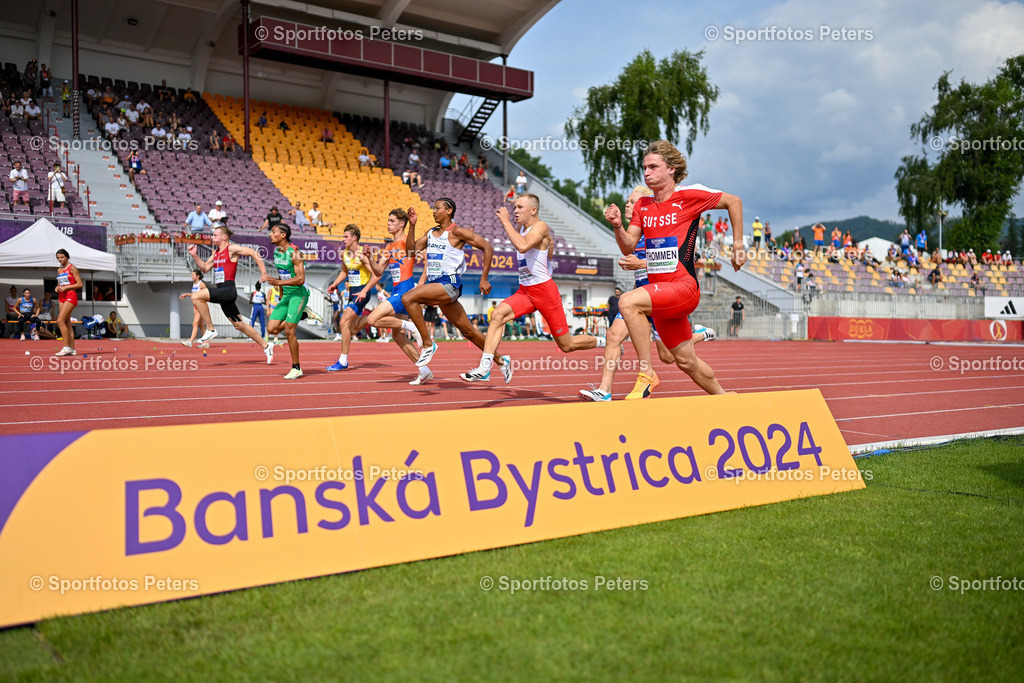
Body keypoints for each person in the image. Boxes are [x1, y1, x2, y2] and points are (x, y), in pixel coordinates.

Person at [605, 140, 744, 399]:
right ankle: (724, 398)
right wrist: (617, 226)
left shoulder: (688, 197)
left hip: (683, 287)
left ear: (671, 169)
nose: (646, 173)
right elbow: (628, 247)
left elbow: (733, 202)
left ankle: (646, 373)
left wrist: (737, 245)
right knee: (683, 361)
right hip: (661, 296)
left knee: (627, 302)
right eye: (644, 167)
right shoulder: (643, 206)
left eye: (653, 167)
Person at [580, 187, 715, 402]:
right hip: (639, 297)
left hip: (663, 296)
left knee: (669, 357)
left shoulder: (659, 228)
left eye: (633, 201)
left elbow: (676, 261)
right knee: (613, 335)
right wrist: (617, 226)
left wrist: (642, 263)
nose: (627, 204)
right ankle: (604, 390)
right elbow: (626, 247)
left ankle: (699, 335)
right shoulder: (632, 233)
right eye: (627, 200)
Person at [463, 195, 598, 383]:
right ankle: (486, 366)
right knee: (497, 316)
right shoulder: (522, 228)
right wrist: (548, 247)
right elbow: (542, 253)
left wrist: (505, 221)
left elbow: (523, 246)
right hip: (525, 291)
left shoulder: (541, 226)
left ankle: (605, 342)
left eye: (520, 207)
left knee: (567, 345)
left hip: (544, 292)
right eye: (514, 207)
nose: (515, 211)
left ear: (533, 210)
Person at [399, 198, 512, 380]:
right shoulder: (430, 233)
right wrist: (412, 225)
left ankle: (428, 343)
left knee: (407, 298)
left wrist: (484, 278)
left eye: (437, 208)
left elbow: (487, 247)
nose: (433, 211)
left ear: (449, 210)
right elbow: (410, 252)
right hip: (438, 286)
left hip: (449, 284)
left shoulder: (457, 232)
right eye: (433, 208)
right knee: (468, 332)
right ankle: (501, 361)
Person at [362, 208, 435, 384]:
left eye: (392, 221)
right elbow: (378, 271)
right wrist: (370, 258)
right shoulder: (388, 247)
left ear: (402, 224)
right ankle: (424, 370)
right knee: (397, 336)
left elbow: (428, 260)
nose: (388, 224)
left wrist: (421, 283)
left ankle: (412, 327)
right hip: (396, 291)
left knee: (372, 319)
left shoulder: (406, 243)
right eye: (388, 221)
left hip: (406, 291)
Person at [188, 225, 275, 365]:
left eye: (215, 235)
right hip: (222, 291)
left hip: (228, 290)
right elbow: (204, 268)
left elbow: (254, 252)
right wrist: (195, 256)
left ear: (224, 237)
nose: (212, 237)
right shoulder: (216, 253)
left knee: (196, 296)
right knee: (240, 325)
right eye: (212, 235)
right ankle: (266, 346)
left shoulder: (231, 249)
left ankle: (210, 329)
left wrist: (263, 272)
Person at [325, 225, 378, 371]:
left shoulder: (362, 255)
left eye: (346, 237)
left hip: (362, 291)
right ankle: (378, 315)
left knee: (343, 322)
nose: (343, 240)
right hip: (353, 292)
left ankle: (343, 360)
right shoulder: (345, 254)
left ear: (354, 238)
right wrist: (335, 284)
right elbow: (344, 271)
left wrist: (365, 291)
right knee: (352, 328)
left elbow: (376, 274)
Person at [265, 224, 309, 379]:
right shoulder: (277, 252)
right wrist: (280, 294)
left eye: (273, 232)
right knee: (271, 328)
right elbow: (282, 275)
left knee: (289, 331)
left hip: (298, 294)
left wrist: (277, 283)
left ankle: (296, 368)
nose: (270, 234)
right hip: (286, 296)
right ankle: (303, 315)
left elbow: (300, 279)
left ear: (283, 235)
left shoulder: (295, 253)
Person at [54, 249, 83, 356]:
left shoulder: (73, 268)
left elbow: (80, 284)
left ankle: (66, 347)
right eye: (58, 258)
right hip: (61, 296)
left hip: (71, 295)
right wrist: (57, 287)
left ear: (67, 257)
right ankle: (72, 349)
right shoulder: (59, 270)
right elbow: (60, 283)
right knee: (66, 323)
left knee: (59, 321)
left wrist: (66, 288)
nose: (60, 259)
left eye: (62, 257)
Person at [179, 269, 209, 348]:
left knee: (194, 323)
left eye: (193, 275)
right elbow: (194, 294)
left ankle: (190, 341)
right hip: (195, 306)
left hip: (200, 306)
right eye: (191, 275)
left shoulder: (201, 284)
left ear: (198, 276)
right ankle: (205, 343)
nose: (191, 276)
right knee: (201, 325)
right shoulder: (194, 284)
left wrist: (201, 303)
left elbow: (206, 295)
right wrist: (186, 295)